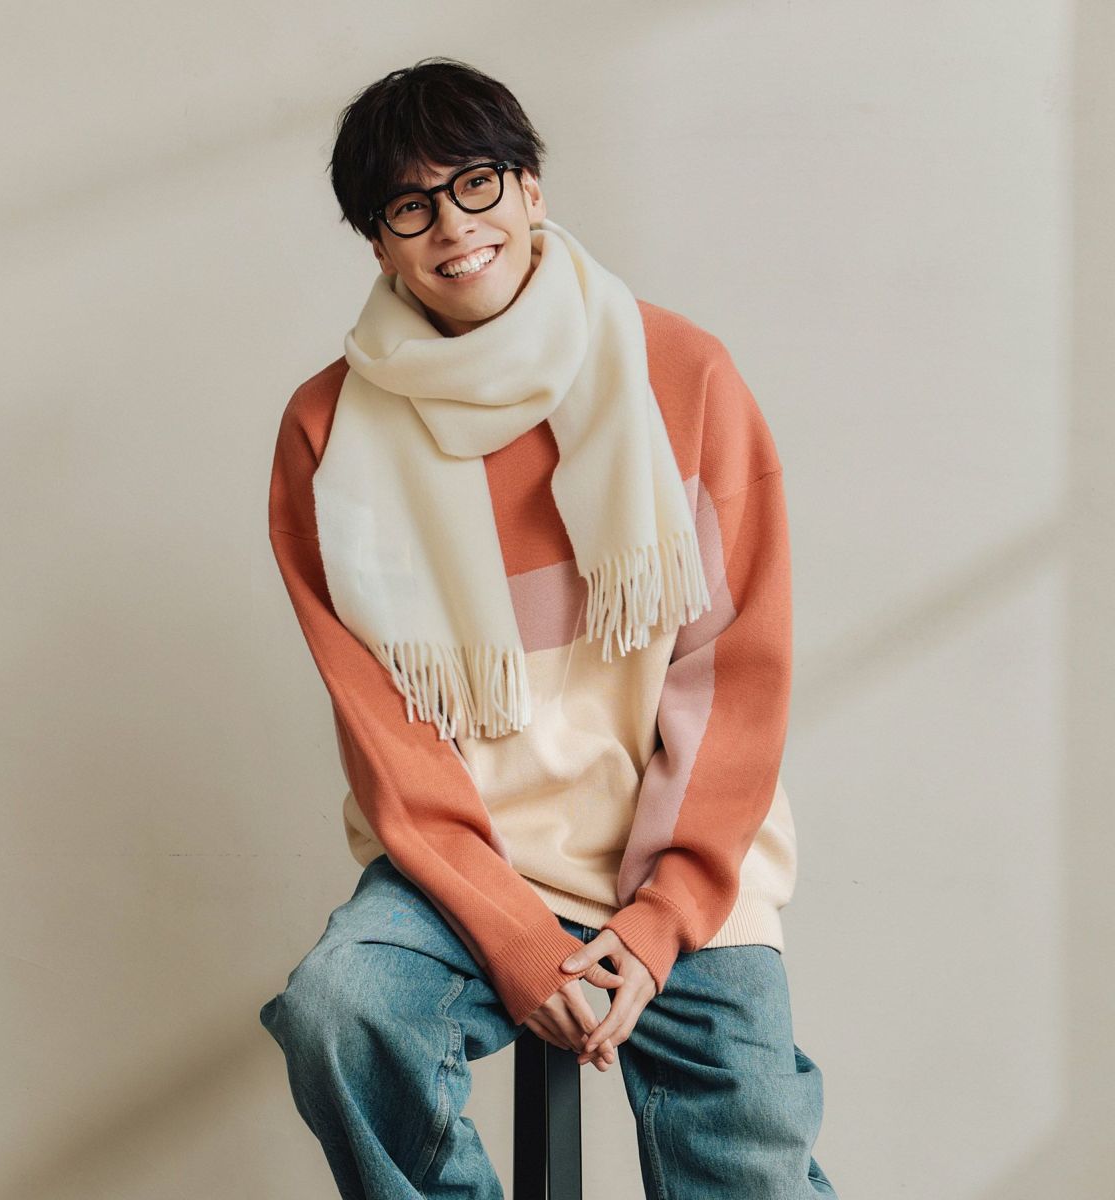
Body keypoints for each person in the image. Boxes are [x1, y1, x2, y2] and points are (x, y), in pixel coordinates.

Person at [259, 55, 838, 1199]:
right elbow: (386, 733)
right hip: (461, 869)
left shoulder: (684, 375)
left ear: (530, 188)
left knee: (752, 1166)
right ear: (377, 244)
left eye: (474, 183)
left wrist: (664, 916)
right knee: (341, 1012)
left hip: (682, 860)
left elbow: (734, 677)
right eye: (409, 206)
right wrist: (517, 938)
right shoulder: (326, 432)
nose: (451, 226)